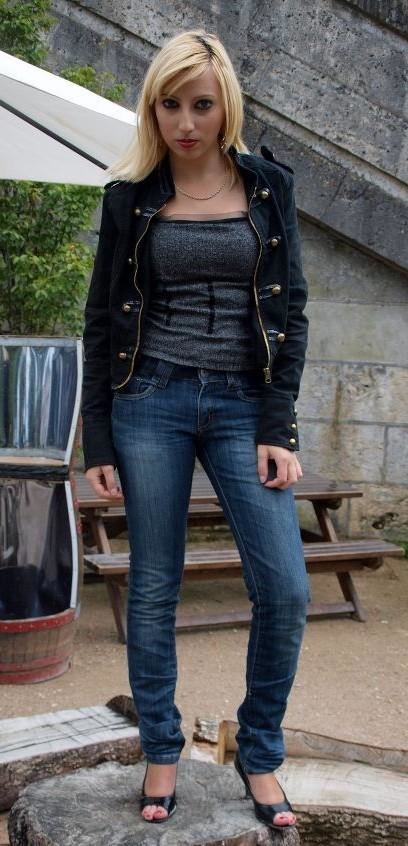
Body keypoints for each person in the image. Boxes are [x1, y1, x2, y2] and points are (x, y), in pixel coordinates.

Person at [82, 29, 309, 829]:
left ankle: (260, 752)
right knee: (153, 586)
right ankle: (162, 747)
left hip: (245, 405)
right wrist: (98, 439)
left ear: (226, 107)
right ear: (153, 108)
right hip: (152, 400)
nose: (185, 122)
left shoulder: (270, 188)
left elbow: (292, 312)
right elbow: (101, 319)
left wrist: (279, 426)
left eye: (202, 105)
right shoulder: (130, 196)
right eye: (170, 104)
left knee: (285, 588)